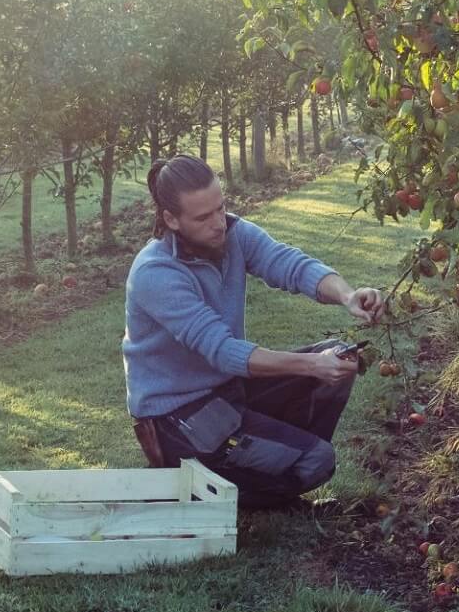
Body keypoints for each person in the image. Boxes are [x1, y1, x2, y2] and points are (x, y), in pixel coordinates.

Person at [123, 155, 386, 509]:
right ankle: (199, 489)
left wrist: (347, 294)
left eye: (221, 207)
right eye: (203, 217)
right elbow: (223, 350)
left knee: (340, 358)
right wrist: (310, 365)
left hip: (226, 391)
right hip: (179, 419)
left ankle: (270, 466)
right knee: (317, 461)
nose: (218, 224)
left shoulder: (233, 234)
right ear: (171, 219)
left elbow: (289, 264)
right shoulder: (156, 273)